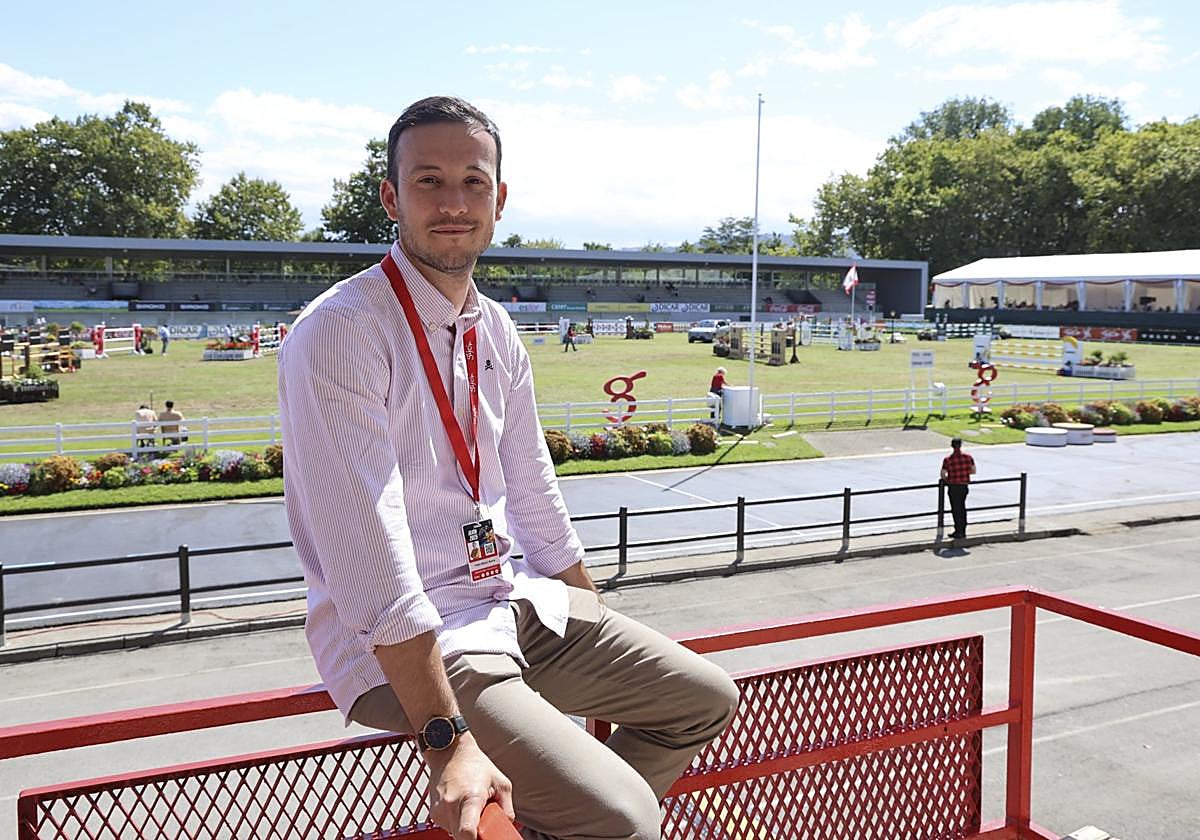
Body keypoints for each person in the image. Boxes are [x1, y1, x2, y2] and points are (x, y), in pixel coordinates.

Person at [277, 96, 738, 840]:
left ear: (500, 198)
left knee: (704, 698)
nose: (454, 203)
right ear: (391, 198)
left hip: (507, 601)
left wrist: (592, 613)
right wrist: (448, 742)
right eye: (428, 181)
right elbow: (367, 546)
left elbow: (530, 486)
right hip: (412, 643)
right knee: (623, 817)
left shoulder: (494, 329)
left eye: (473, 181)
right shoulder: (341, 331)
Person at [940, 437, 977, 540]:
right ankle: (963, 530)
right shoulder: (968, 457)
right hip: (964, 485)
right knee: (962, 508)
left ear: (952, 446)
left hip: (953, 486)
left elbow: (943, 474)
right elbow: (973, 471)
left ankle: (958, 530)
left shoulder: (948, 459)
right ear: (961, 445)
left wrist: (948, 479)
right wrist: (965, 473)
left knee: (955, 509)